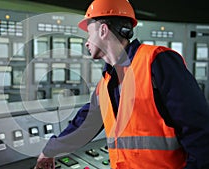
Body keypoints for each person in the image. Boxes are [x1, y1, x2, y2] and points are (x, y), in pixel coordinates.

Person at [35, 0, 209, 168]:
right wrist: (50, 151)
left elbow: (199, 129)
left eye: (89, 33)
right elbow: (85, 124)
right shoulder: (107, 82)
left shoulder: (156, 61)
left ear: (103, 30)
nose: (87, 42)